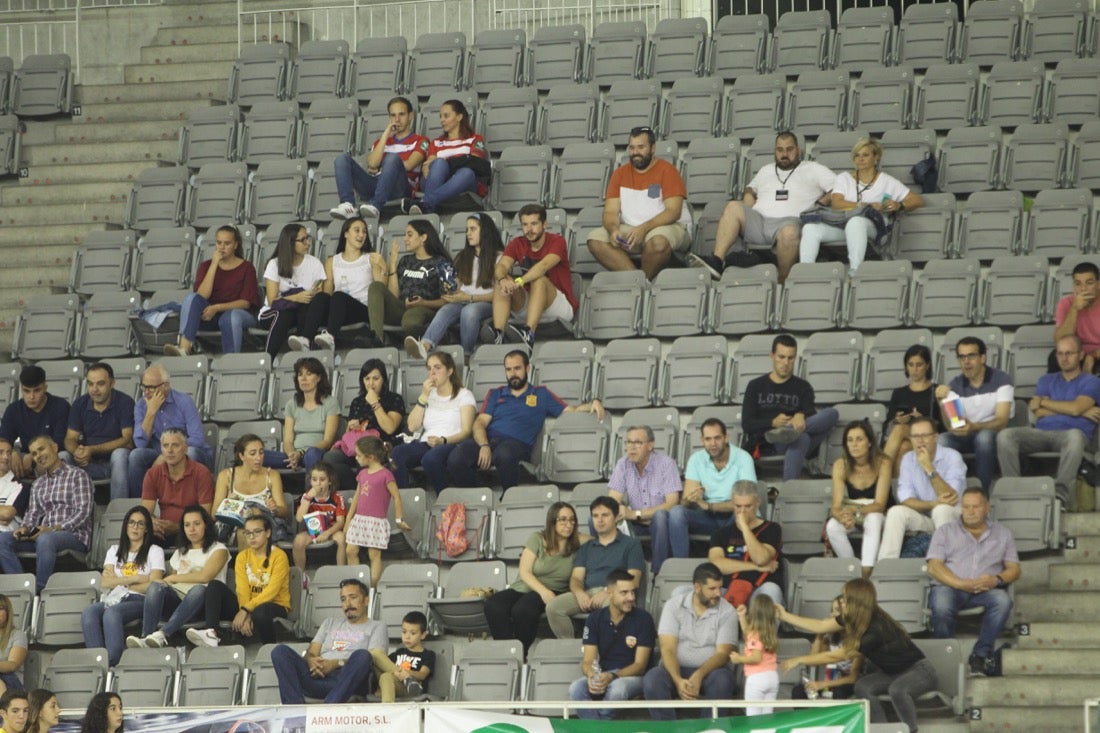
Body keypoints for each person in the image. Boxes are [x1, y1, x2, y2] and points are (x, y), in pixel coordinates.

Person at [776, 578, 938, 733]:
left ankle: (910, 730)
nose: (841, 602)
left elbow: (836, 656)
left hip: (919, 671)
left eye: (845, 599)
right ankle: (881, 729)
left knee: (897, 690)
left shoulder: (875, 629)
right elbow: (820, 625)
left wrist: (799, 659)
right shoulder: (853, 617)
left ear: (857, 603)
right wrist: (785, 616)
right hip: (891, 673)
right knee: (862, 686)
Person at [446, 350, 604, 493]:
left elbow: (571, 410)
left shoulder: (541, 394)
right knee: (455, 458)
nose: (513, 374)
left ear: (527, 369)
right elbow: (480, 423)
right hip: (489, 441)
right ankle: (476, 493)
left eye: (517, 368)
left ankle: (509, 495)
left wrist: (593, 403)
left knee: (504, 454)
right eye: (508, 370)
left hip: (517, 444)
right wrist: (484, 445)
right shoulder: (495, 393)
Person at [688, 131, 834, 283]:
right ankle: (717, 262)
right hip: (760, 222)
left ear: (798, 150)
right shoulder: (766, 170)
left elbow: (839, 187)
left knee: (789, 233)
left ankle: (783, 282)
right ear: (774, 151)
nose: (784, 154)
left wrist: (821, 202)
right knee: (733, 207)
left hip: (791, 223)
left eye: (789, 149)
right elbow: (751, 188)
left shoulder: (813, 168)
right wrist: (749, 196)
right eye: (780, 150)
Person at [997, 334, 1100, 507]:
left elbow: (1070, 407)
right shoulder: (1046, 380)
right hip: (1041, 433)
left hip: (1072, 437)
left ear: (1081, 355)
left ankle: (1060, 495)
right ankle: (1012, 490)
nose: (1064, 358)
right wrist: (1080, 411)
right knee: (1005, 436)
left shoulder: (1091, 381)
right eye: (1060, 354)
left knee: (1074, 435)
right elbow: (1039, 412)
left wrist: (1046, 402)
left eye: (1069, 353)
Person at [928, 487, 1020, 677]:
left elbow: (1014, 569)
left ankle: (980, 655)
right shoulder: (945, 531)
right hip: (950, 587)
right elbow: (934, 567)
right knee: (941, 604)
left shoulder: (1003, 533)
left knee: (1002, 600)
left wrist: (997, 579)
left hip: (984, 590)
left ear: (987, 507)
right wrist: (960, 583)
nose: (970, 511)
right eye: (966, 506)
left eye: (976, 507)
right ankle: (947, 657)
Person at [798, 137, 923, 274]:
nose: (860, 159)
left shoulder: (887, 181)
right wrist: (865, 206)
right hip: (842, 225)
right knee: (810, 228)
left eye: (865, 155)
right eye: (857, 155)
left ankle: (855, 272)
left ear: (876, 157)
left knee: (856, 221)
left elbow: (916, 200)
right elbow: (837, 203)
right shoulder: (844, 178)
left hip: (873, 227)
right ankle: (805, 273)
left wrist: (899, 205)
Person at [585, 126, 691, 280]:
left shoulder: (668, 171)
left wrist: (644, 228)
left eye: (641, 147)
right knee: (595, 239)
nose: (635, 153)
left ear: (653, 148)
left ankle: (640, 283)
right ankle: (638, 281)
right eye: (632, 148)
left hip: (667, 226)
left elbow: (673, 212)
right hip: (631, 228)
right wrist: (613, 230)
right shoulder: (619, 174)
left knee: (658, 243)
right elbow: (610, 212)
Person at [485, 502, 586, 656]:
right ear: (552, 522)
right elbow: (524, 571)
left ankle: (521, 653)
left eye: (572, 520)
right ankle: (507, 654)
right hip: (526, 586)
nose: (568, 524)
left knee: (522, 610)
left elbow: (601, 539)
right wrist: (543, 591)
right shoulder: (537, 539)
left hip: (555, 589)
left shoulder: (577, 542)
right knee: (493, 605)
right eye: (563, 520)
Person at [642, 562, 737, 720]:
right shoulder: (673, 606)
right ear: (697, 587)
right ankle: (668, 731)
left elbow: (723, 654)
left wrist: (699, 675)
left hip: (711, 672)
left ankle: (709, 730)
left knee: (723, 681)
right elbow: (668, 649)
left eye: (720, 588)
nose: (718, 593)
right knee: (652, 679)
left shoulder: (728, 611)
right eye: (712, 589)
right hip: (676, 669)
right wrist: (678, 680)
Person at [125, 505, 229, 649]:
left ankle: (163, 634)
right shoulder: (180, 552)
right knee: (156, 586)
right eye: (187, 525)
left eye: (196, 524)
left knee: (198, 589)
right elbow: (171, 584)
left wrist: (174, 578)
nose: (191, 529)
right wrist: (169, 581)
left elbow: (206, 576)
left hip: (203, 604)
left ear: (206, 525)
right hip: (178, 602)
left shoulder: (219, 549)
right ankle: (146, 636)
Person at [0, 436, 93, 592]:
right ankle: (21, 588)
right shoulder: (38, 484)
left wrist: (54, 529)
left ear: (55, 447)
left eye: (41, 449)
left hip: (73, 535)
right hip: (42, 536)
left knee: (45, 539)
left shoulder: (78, 475)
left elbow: (83, 513)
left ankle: (40, 591)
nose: (39, 456)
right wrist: (24, 528)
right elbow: (32, 514)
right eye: (34, 454)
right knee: (2, 539)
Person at [271, 577, 386, 704]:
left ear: (366, 600)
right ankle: (296, 713)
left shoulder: (377, 626)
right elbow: (312, 653)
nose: (347, 604)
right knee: (280, 652)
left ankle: (329, 708)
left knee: (363, 655)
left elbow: (375, 661)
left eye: (353, 597)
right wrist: (312, 662)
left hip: (350, 680)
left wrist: (336, 664)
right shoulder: (329, 623)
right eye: (343, 599)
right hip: (318, 676)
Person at [406, 212, 504, 360]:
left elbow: (499, 294)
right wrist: (451, 292)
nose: (468, 234)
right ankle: (424, 346)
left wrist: (470, 297)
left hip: (487, 302)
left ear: (484, 231)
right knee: (445, 310)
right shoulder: (463, 256)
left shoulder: (499, 257)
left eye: (473, 229)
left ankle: (466, 355)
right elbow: (458, 285)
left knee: (469, 312)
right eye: (466, 230)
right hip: (463, 300)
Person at [741, 333, 839, 481]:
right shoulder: (755, 386)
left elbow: (812, 419)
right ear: (772, 356)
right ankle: (788, 491)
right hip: (768, 441)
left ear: (795, 359)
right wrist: (772, 423)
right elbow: (747, 424)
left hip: (795, 433)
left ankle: (788, 432)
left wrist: (801, 414)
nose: (785, 362)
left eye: (790, 358)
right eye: (781, 357)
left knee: (832, 414)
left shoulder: (803, 387)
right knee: (802, 437)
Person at [546, 496, 644, 639]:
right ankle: (572, 648)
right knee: (554, 607)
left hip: (615, 593)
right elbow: (576, 578)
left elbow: (633, 580)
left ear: (616, 517)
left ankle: (604, 652)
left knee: (611, 607)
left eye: (605, 515)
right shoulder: (586, 547)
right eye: (595, 516)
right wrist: (579, 593)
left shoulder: (631, 544)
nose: (600, 520)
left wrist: (607, 592)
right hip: (588, 593)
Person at [481, 203, 577, 348]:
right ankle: (498, 334)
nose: (529, 229)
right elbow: (501, 266)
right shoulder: (517, 243)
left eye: (534, 224)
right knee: (502, 281)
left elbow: (543, 266)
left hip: (558, 306)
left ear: (544, 224)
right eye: (525, 225)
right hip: (530, 304)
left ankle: (529, 333)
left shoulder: (557, 242)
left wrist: (520, 281)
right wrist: (502, 279)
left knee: (539, 280)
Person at [186, 513, 290, 647]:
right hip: (246, 605)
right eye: (248, 533)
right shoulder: (242, 557)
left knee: (260, 612)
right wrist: (244, 611)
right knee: (214, 586)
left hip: (274, 604)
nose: (252, 537)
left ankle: (269, 647)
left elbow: (272, 591)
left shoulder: (279, 556)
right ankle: (211, 633)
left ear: (268, 533)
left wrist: (246, 611)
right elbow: (242, 589)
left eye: (257, 532)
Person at [81, 506, 165, 666]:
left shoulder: (155, 551)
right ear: (126, 525)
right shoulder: (114, 550)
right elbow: (105, 583)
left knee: (112, 613)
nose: (135, 527)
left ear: (147, 529)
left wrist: (119, 582)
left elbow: (154, 585)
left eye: (140, 524)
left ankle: (113, 661)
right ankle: (98, 663)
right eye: (131, 522)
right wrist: (135, 578)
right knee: (89, 612)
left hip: (141, 600)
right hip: (114, 597)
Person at [567, 569, 656, 720]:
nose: (631, 597)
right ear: (609, 593)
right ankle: (598, 729)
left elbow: (640, 666)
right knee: (576, 688)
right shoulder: (594, 619)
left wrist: (612, 676)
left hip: (634, 676)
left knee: (617, 689)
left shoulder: (644, 619)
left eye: (633, 592)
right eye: (624, 593)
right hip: (605, 673)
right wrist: (592, 676)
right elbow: (588, 661)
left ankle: (597, 730)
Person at [288, 217, 386, 352]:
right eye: (357, 230)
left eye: (364, 232)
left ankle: (330, 337)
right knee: (322, 296)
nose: (361, 235)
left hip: (363, 309)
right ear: (346, 234)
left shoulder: (371, 258)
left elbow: (380, 290)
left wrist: (384, 268)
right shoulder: (331, 261)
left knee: (339, 295)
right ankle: (305, 339)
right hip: (339, 310)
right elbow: (328, 294)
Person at [878, 416, 965, 561]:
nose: (920, 441)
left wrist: (929, 468)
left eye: (925, 436)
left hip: (952, 516)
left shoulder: (953, 457)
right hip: (926, 516)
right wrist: (931, 504)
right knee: (895, 512)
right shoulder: (908, 459)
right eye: (915, 436)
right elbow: (906, 498)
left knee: (941, 509)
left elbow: (949, 497)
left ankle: (946, 563)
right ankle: (887, 564)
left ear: (936, 437)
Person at [164, 224, 260, 356]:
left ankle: (230, 361)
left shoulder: (247, 268)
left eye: (227, 243)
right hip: (209, 316)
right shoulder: (206, 266)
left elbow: (245, 303)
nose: (222, 247)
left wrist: (217, 307)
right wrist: (214, 264)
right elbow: (202, 295)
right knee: (191, 298)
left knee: (230, 317)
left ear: (236, 245)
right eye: (219, 243)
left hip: (238, 314)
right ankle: (184, 348)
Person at [671, 418, 757, 565]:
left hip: (734, 515)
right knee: (676, 512)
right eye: (708, 439)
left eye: (717, 438)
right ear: (702, 440)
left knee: (742, 512)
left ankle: (734, 566)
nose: (713, 444)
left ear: (726, 438)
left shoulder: (743, 458)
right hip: (707, 517)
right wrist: (691, 500)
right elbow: (686, 500)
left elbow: (747, 502)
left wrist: (710, 506)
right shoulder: (696, 459)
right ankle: (681, 565)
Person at [935, 335, 1014, 494]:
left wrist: (975, 426)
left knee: (983, 437)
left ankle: (982, 492)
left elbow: (1001, 421)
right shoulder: (954, 385)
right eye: (962, 357)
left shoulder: (1001, 379)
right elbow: (952, 425)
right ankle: (947, 493)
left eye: (971, 355)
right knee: (943, 440)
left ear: (982, 358)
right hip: (966, 435)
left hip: (992, 434)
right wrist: (941, 403)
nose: (966, 361)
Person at [330, 95, 429, 221]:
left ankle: (376, 205)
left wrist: (385, 165)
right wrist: (386, 134)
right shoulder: (380, 142)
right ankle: (348, 205)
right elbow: (372, 164)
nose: (397, 119)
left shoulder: (421, 141)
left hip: (401, 187)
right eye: (393, 115)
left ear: (410, 116)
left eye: (401, 114)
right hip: (377, 184)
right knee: (342, 159)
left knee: (392, 159)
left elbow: (409, 165)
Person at [391, 351, 475, 494]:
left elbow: (466, 431)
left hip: (451, 442)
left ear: (450, 371)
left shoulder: (464, 395)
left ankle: (443, 497)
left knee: (430, 459)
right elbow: (412, 426)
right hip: (427, 442)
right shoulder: (428, 395)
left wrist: (443, 440)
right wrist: (424, 396)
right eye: (429, 369)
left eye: (437, 368)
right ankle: (403, 498)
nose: (432, 373)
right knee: (398, 453)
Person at [320, 358, 405, 490]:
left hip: (382, 445)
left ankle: (367, 488)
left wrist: (375, 404)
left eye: (376, 378)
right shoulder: (357, 402)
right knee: (330, 458)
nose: (371, 383)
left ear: (383, 379)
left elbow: (390, 428)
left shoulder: (394, 399)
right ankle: (356, 487)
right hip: (357, 446)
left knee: (366, 456)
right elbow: (348, 435)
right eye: (367, 379)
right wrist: (352, 426)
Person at [606, 425, 681, 575]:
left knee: (660, 517)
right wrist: (618, 507)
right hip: (636, 524)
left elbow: (672, 503)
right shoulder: (623, 464)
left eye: (638, 443)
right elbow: (612, 500)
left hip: (658, 522)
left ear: (650, 445)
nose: (631, 448)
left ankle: (658, 573)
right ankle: (609, 570)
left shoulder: (666, 464)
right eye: (628, 442)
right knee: (599, 517)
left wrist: (634, 514)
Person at [127, 363, 208, 499]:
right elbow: (140, 443)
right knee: (136, 456)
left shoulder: (184, 401)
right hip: (157, 451)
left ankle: (185, 500)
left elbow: (197, 438)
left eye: (151, 387)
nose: (146, 392)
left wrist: (166, 455)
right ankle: (140, 503)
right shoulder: (141, 405)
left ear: (165, 386)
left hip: (184, 451)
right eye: (144, 387)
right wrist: (151, 412)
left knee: (192, 452)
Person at [368, 220, 456, 345]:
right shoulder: (405, 261)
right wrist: (393, 263)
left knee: (409, 321)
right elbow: (394, 295)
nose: (405, 239)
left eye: (409, 235)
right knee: (376, 286)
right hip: (402, 308)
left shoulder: (443, 263)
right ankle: (377, 339)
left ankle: (441, 336)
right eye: (405, 235)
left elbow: (449, 300)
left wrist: (423, 302)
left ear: (423, 237)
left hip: (426, 309)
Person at [825, 421, 891, 578]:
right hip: (853, 510)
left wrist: (856, 511)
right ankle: (852, 569)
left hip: (876, 512)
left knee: (873, 519)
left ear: (869, 442)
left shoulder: (883, 462)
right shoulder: (841, 464)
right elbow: (835, 506)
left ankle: (867, 571)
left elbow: (880, 505)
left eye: (859, 439)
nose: (854, 444)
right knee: (832, 527)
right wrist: (842, 516)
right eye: (850, 440)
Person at [403, 99, 489, 215]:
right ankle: (428, 205)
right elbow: (427, 168)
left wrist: (448, 163)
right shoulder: (436, 142)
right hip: (436, 179)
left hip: (462, 181)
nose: (442, 120)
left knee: (466, 172)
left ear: (459, 117)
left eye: (446, 116)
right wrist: (450, 163)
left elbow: (473, 162)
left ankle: (425, 203)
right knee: (439, 163)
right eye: (440, 116)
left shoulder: (474, 139)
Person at [706, 480, 784, 607]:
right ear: (732, 503)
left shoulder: (772, 528)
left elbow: (761, 558)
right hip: (728, 588)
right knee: (681, 592)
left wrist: (744, 527)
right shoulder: (721, 533)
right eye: (738, 506)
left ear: (757, 503)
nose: (742, 511)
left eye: (748, 506)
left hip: (759, 588)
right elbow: (716, 565)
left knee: (771, 591)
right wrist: (755, 567)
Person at [345, 436, 410, 587]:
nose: (356, 458)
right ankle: (356, 583)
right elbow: (357, 497)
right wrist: (349, 519)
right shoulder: (362, 474)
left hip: (376, 522)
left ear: (371, 457)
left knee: (374, 555)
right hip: (359, 520)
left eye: (359, 455)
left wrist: (399, 519)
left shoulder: (386, 474)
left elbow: (396, 497)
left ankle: (373, 585)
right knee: (350, 550)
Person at [64, 362, 134, 502]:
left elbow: (127, 439)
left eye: (100, 384)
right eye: (90, 384)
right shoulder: (80, 404)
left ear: (112, 383)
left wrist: (91, 450)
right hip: (88, 463)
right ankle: (67, 509)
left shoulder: (125, 402)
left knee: (120, 455)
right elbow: (70, 439)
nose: (94, 389)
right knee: (63, 456)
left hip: (114, 464)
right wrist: (77, 452)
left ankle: (118, 510)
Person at [257, 223, 327, 358]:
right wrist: (296, 297)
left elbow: (318, 293)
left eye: (308, 238)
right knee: (283, 314)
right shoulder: (275, 264)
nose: (308, 243)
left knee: (306, 310)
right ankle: (267, 359)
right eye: (303, 240)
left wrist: (311, 294)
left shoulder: (315, 263)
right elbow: (272, 301)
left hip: (301, 312)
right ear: (290, 243)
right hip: (273, 313)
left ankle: (305, 356)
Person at [211, 433, 290, 546]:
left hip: (264, 526)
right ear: (241, 456)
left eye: (261, 452)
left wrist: (275, 509)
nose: (258, 458)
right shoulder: (226, 476)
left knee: (254, 519)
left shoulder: (272, 475)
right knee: (244, 531)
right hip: (234, 527)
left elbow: (284, 512)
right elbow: (214, 514)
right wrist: (228, 504)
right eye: (253, 453)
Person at [140, 428, 214, 546]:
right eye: (165, 446)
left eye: (175, 445)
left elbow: (204, 515)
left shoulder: (201, 473)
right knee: (140, 532)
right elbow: (145, 511)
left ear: (185, 449)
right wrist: (152, 523)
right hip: (163, 531)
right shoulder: (152, 474)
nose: (170, 450)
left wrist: (177, 527)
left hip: (192, 529)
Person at [264, 357, 339, 473]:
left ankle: (311, 490)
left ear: (318, 378)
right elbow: (288, 440)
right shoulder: (291, 404)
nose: (303, 378)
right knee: (255, 454)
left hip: (317, 453)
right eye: (300, 374)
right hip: (294, 455)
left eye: (309, 374)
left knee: (311, 454)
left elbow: (328, 440)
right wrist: (292, 455)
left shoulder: (331, 402)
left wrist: (301, 453)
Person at [784, 596, 860, 701]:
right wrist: (820, 633)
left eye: (837, 611)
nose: (833, 615)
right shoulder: (832, 636)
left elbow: (853, 678)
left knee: (839, 693)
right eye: (832, 611)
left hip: (854, 682)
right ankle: (807, 718)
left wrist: (822, 684)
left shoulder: (859, 639)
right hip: (834, 679)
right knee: (799, 691)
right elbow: (813, 660)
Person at [0, 366, 69, 480]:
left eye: (37, 390)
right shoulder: (14, 409)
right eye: (26, 391)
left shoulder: (60, 406)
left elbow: (59, 444)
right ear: (21, 389)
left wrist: (33, 456)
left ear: (45, 388)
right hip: (24, 457)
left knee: (61, 456)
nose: (31, 397)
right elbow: (3, 439)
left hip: (47, 455)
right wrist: (12, 452)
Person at [883, 344, 939, 476]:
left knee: (901, 429)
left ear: (927, 365)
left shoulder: (936, 391)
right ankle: (898, 490)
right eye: (910, 364)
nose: (914, 369)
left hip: (927, 436)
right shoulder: (898, 393)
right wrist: (897, 420)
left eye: (919, 365)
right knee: (903, 445)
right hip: (906, 440)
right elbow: (887, 425)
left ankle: (880, 474)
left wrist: (921, 419)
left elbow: (942, 424)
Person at [729, 595, 779, 716]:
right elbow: (748, 634)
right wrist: (741, 616)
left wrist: (738, 658)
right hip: (772, 677)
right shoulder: (770, 633)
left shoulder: (755, 635)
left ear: (754, 613)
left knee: (753, 717)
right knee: (767, 718)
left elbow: (756, 658)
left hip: (757, 679)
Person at [292, 462, 347, 570]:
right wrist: (308, 498)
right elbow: (299, 518)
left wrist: (327, 533)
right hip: (312, 530)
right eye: (314, 480)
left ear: (330, 481)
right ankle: (301, 576)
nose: (318, 484)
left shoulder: (337, 497)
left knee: (341, 538)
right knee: (298, 541)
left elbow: (340, 522)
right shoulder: (306, 496)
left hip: (331, 530)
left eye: (322, 480)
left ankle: (342, 572)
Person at [371, 611, 434, 702]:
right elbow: (382, 666)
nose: (407, 637)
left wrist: (408, 673)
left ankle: (388, 713)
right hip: (392, 683)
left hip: (409, 690)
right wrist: (401, 674)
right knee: (374, 653)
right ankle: (405, 679)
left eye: (413, 633)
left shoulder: (428, 654)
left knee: (386, 677)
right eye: (404, 632)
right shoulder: (398, 653)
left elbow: (422, 674)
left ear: (423, 635)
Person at [1054, 261, 1100, 373]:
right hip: (1077, 353)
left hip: (1097, 353)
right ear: (1074, 286)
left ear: (1098, 284)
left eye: (1089, 283)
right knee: (1054, 358)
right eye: (1078, 284)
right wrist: (1074, 309)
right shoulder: (1066, 304)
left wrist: (1093, 355)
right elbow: (1060, 340)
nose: (1083, 289)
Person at [0, 596, 26, 695]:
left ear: (8, 612)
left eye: (0, 609)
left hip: (12, 684)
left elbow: (13, 665)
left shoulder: (17, 635)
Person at [0, 441, 27, 535]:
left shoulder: (21, 486)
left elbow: (6, 514)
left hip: (4, 534)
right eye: (1, 452)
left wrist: (3, 514)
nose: (6, 457)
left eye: (9, 453)